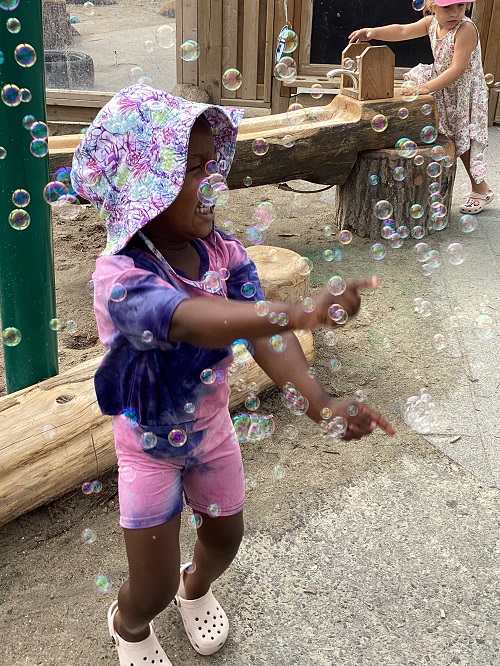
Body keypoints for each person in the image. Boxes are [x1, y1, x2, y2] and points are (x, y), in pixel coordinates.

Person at [71, 83, 395, 666]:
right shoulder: (119, 275)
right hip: (148, 447)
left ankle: (197, 587)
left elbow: (262, 335)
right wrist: (296, 309)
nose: (213, 180)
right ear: (146, 189)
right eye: (193, 168)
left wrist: (322, 401)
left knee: (225, 536)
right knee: (151, 584)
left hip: (213, 431)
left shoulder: (226, 253)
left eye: (210, 164)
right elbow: (192, 321)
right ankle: (131, 622)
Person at [349, 0, 494, 215]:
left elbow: (457, 69)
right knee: (448, 135)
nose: (455, 13)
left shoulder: (465, 29)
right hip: (443, 85)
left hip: (463, 93)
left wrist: (425, 87)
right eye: (448, 7)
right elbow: (402, 30)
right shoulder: (431, 23)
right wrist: (373, 32)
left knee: (465, 144)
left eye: (461, 6)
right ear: (432, 6)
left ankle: (481, 189)